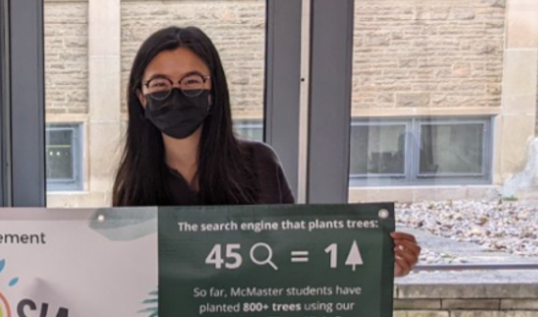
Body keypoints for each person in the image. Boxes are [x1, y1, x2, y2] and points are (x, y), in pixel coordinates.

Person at [113, 26, 421, 277]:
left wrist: (379, 264)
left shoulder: (259, 164)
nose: (176, 93)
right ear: (141, 97)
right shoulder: (133, 185)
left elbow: (299, 256)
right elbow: (120, 277)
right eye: (160, 84)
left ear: (213, 92)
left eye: (192, 81)